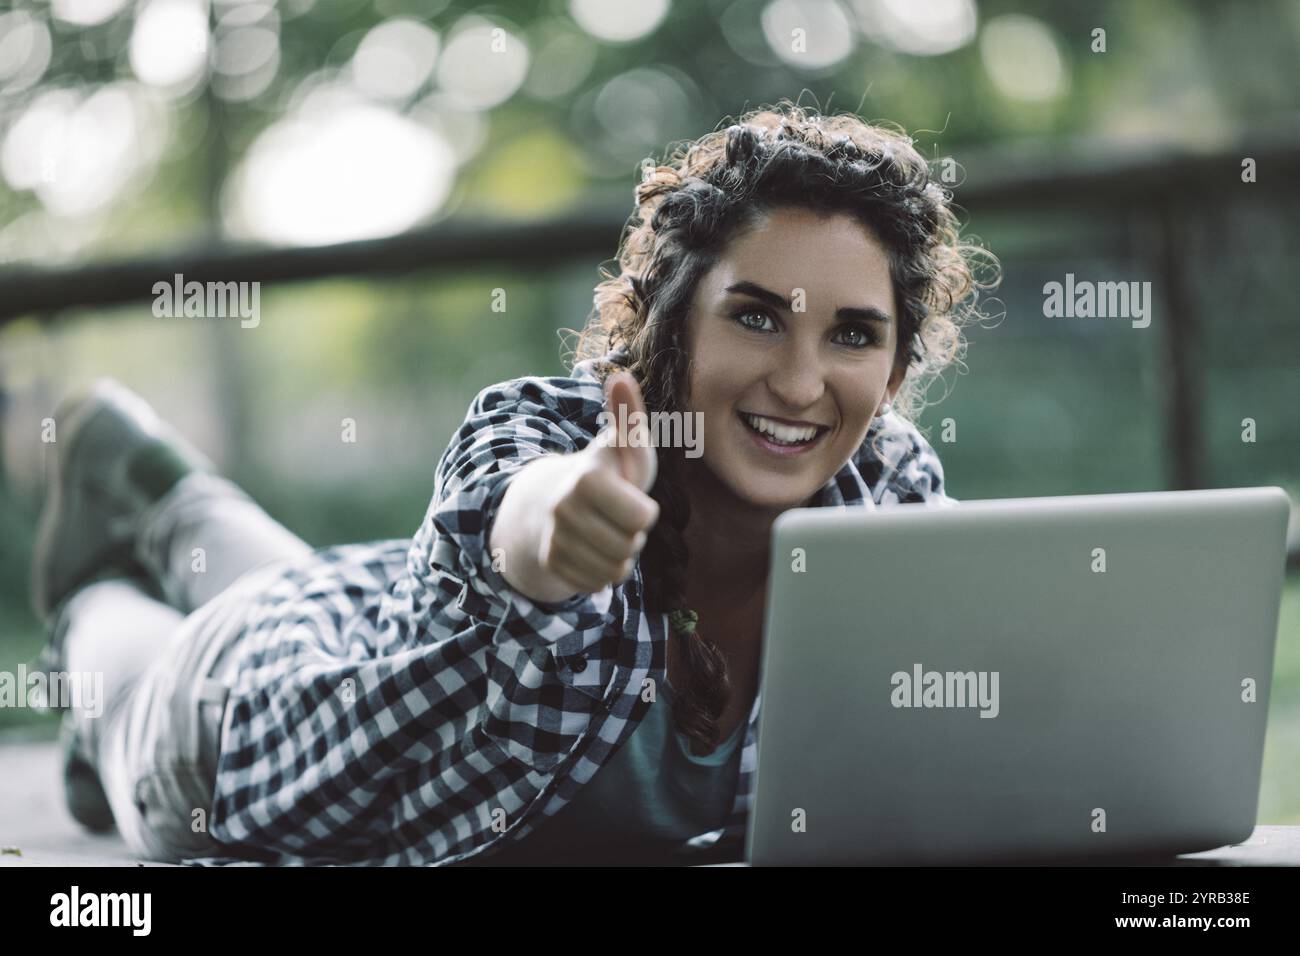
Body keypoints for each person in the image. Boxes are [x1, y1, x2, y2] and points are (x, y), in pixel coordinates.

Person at [29, 101, 996, 866]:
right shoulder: (548, 434)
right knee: (134, 672)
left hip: (360, 613)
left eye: (854, 335)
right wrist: (565, 525)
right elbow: (520, 512)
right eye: (754, 318)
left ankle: (162, 490)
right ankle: (96, 586)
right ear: (672, 324)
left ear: (898, 370)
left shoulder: (891, 497)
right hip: (246, 740)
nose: (798, 380)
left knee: (291, 583)